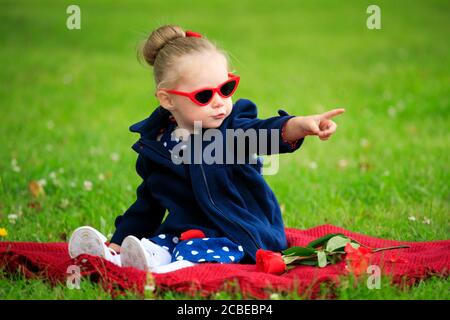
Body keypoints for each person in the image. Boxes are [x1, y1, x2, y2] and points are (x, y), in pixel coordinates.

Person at [68, 25, 345, 274]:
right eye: (203, 95)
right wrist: (118, 240)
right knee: (162, 242)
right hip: (186, 232)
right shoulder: (158, 144)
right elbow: (148, 204)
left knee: (196, 250)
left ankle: (171, 269)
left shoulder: (235, 128)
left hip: (239, 231)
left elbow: (264, 132)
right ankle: (117, 257)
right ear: (167, 100)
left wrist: (299, 125)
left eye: (226, 88)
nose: (219, 102)